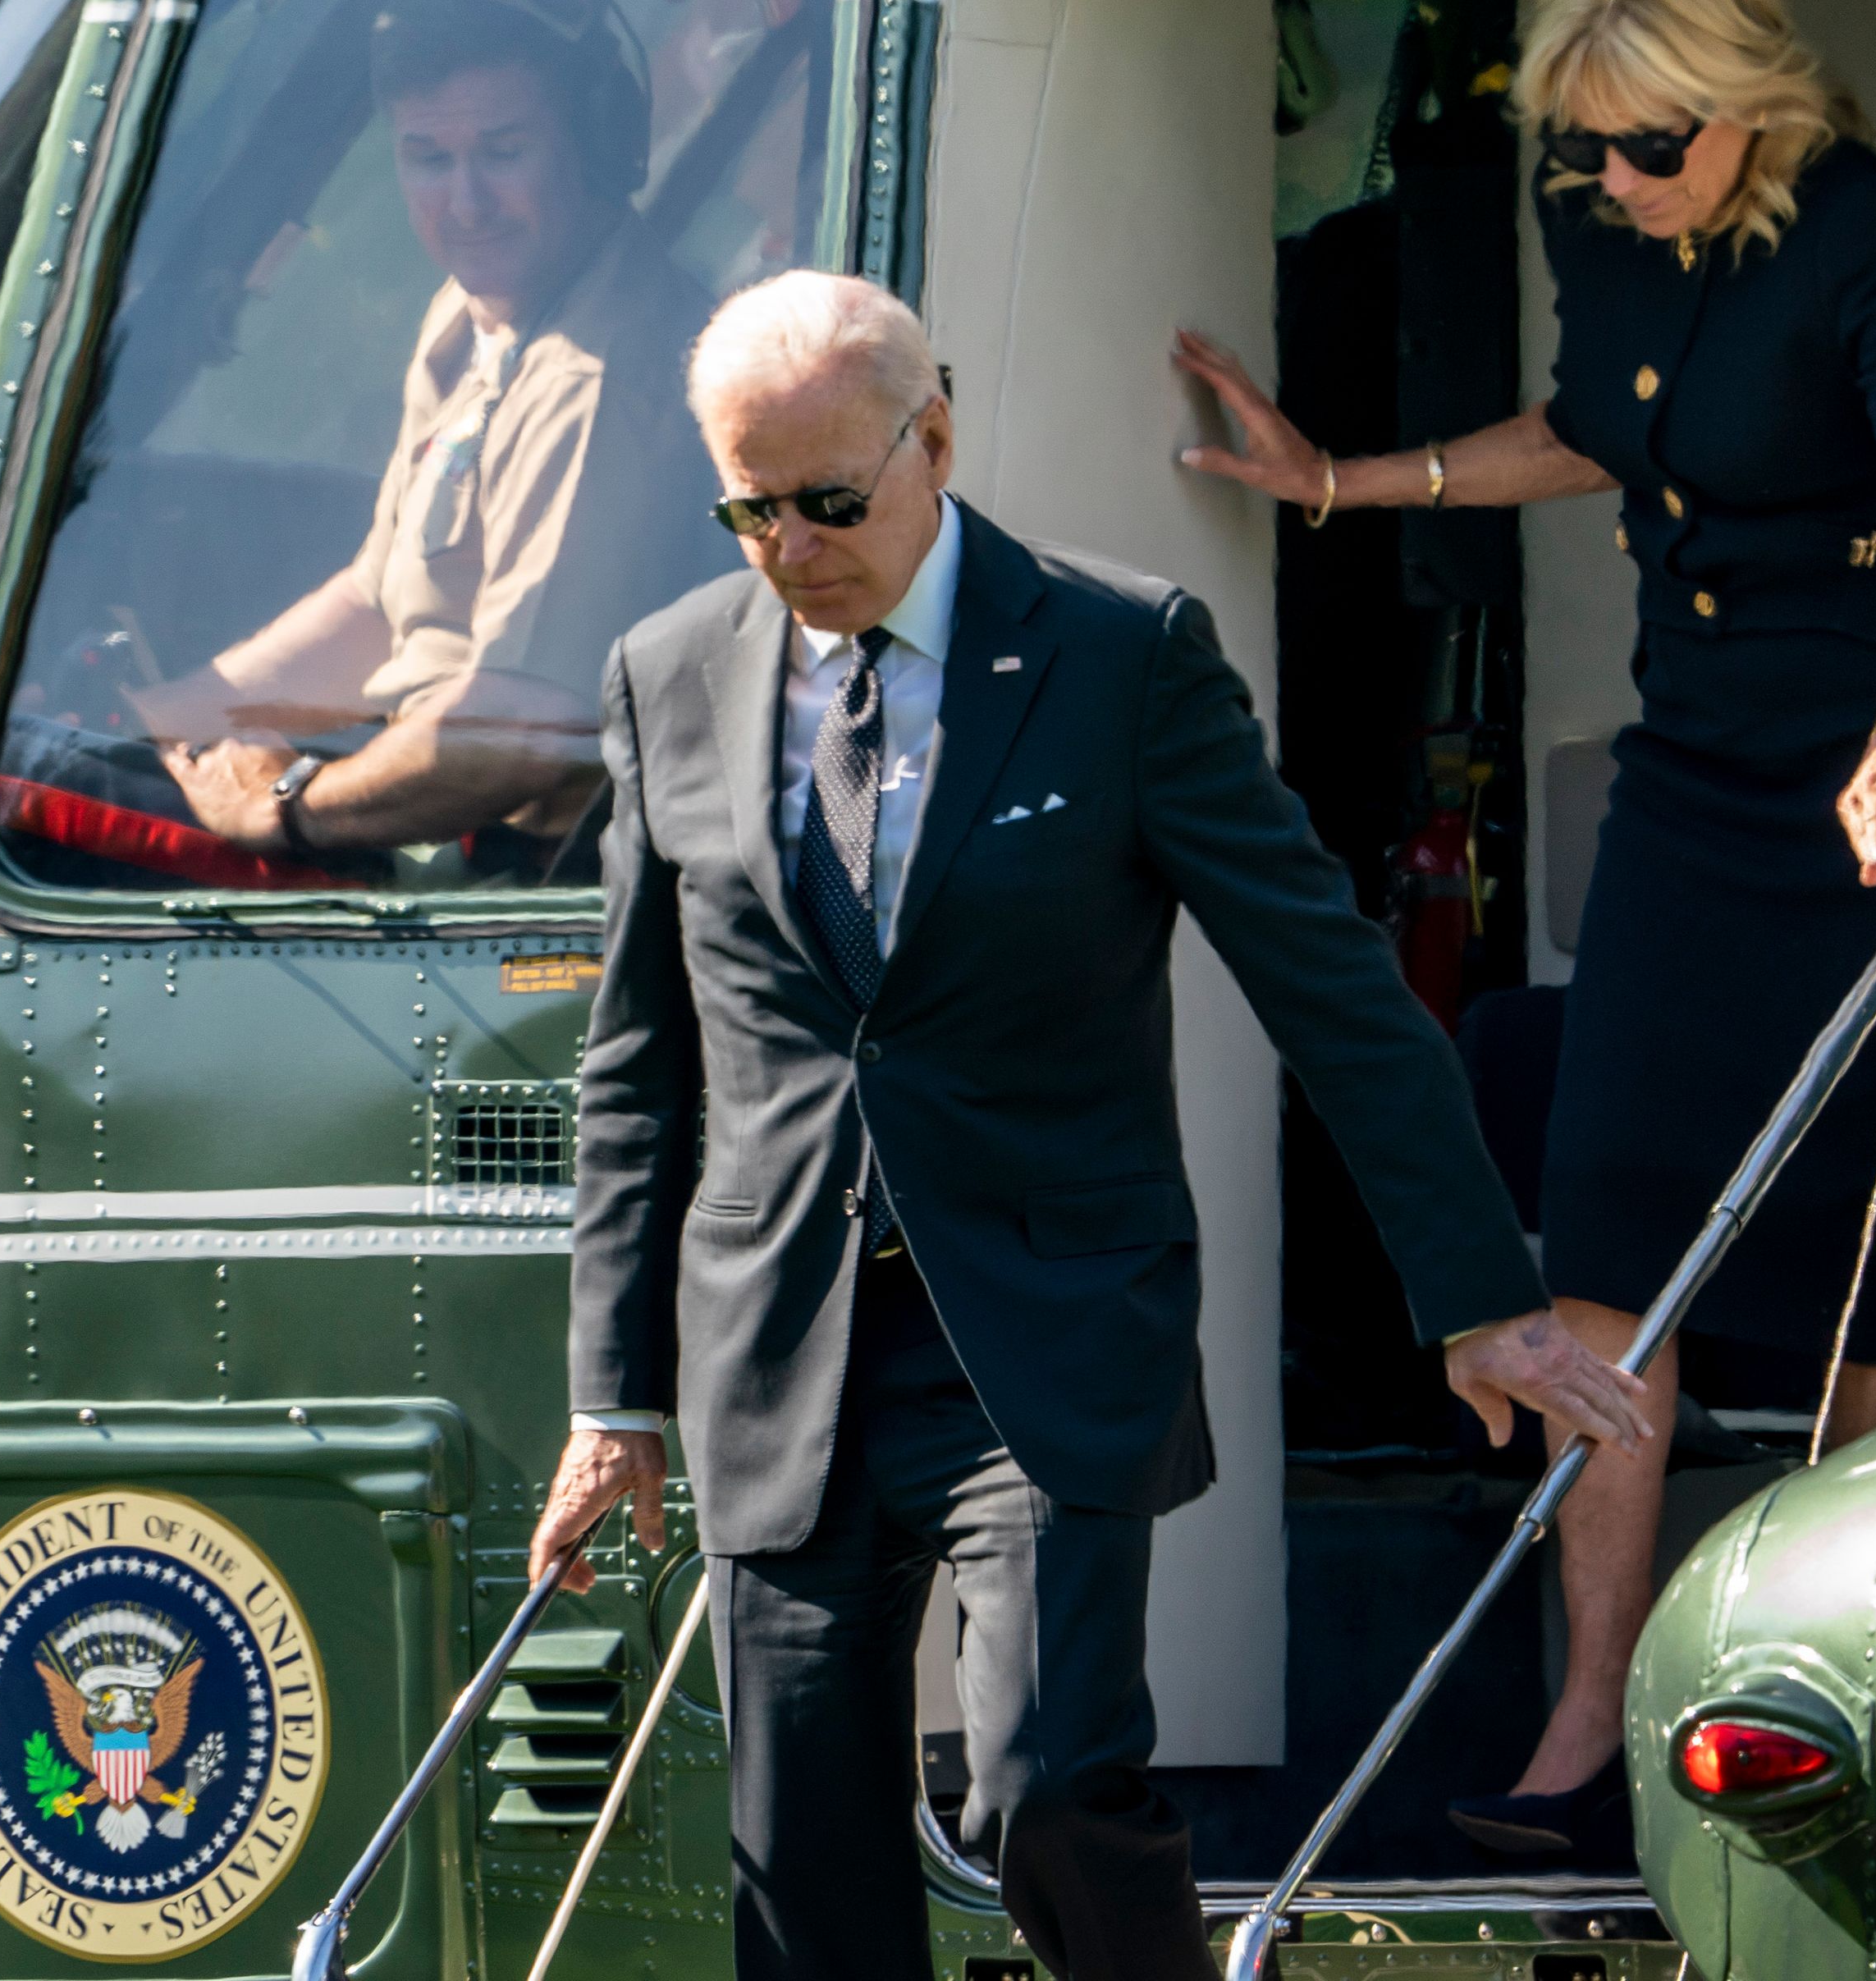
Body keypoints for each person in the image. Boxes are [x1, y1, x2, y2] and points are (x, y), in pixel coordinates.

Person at [528, 270, 1650, 1981]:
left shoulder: (1121, 656)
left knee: (1045, 1787)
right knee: (800, 1865)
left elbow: (1330, 983)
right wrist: (612, 1394)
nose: (789, 544)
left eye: (829, 500)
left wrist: (1476, 1290)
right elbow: (637, 1062)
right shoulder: (665, 675)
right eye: (746, 506)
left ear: (938, 438)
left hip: (1039, 1338)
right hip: (781, 1349)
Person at [1175, 0, 1876, 1861]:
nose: (1610, 178)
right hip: (1691, 780)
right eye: (1580, 146)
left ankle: (1822, 1708)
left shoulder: (1865, 227)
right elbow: (1589, 426)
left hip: (1854, 783)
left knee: (1863, 1289)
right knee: (1605, 1240)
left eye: (1647, 143)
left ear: (1750, 106)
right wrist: (1352, 481)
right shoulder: (1599, 215)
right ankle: (1584, 1727)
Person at [0, 0, 724, 885]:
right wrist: (158, 719)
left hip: (510, 866)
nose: (466, 202)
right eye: (427, 158)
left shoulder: (600, 371)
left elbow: (526, 729)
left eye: (503, 152)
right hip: (428, 805)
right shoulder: (480, 311)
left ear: (596, 146)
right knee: (47, 754)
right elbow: (378, 601)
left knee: (9, 798)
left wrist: (286, 808)